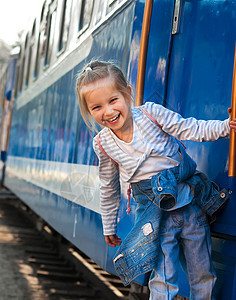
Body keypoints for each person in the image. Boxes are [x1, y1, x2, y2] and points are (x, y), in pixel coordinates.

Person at [76, 60, 236, 299]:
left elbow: (190, 129)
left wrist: (225, 127)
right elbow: (108, 187)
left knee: (202, 272)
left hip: (189, 205)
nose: (108, 112)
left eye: (113, 100)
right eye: (97, 107)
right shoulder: (103, 143)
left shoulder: (151, 114)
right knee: (162, 276)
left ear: (127, 93)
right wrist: (109, 225)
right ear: (89, 111)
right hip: (153, 217)